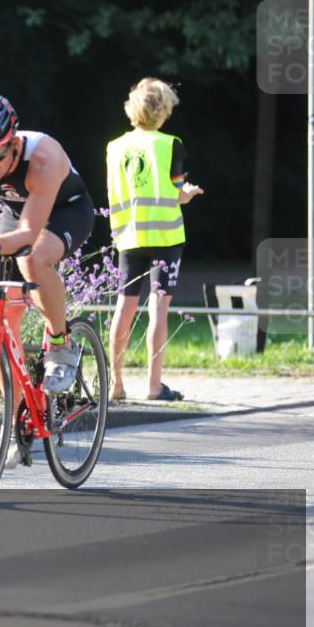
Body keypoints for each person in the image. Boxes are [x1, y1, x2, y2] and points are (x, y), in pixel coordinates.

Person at [0, 90, 96, 398]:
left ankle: (60, 344)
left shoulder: (44, 156)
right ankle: (16, 426)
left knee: (33, 259)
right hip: (17, 213)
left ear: (14, 142)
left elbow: (28, 234)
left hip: (66, 211)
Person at [106, 78, 203, 402]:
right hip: (166, 236)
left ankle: (115, 384)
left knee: (124, 307)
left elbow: (113, 191)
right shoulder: (170, 144)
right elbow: (177, 192)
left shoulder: (115, 147)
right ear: (162, 110)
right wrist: (187, 194)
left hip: (129, 235)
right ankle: (153, 385)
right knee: (158, 310)